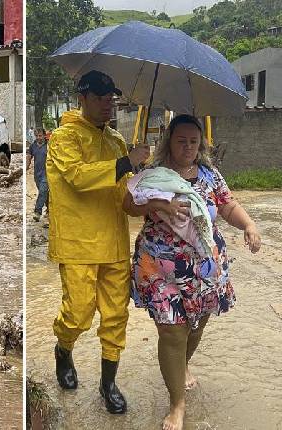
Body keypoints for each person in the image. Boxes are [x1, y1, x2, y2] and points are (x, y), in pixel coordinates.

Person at [123, 114, 261, 430]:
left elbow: (227, 206)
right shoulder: (152, 174)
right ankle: (177, 405)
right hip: (160, 265)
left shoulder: (210, 176)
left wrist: (250, 225)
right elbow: (127, 205)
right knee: (172, 330)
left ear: (201, 145)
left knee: (195, 325)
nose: (187, 147)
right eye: (181, 140)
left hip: (204, 264)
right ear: (169, 141)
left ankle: (181, 364)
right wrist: (158, 204)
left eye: (193, 142)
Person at [46, 70, 150, 414]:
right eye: (102, 98)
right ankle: (63, 347)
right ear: (83, 97)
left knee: (116, 315)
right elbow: (78, 178)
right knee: (77, 314)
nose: (109, 104)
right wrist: (125, 163)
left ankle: (109, 383)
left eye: (112, 99)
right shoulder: (63, 138)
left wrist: (151, 195)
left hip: (115, 244)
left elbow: (125, 195)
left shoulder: (118, 141)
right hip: (77, 242)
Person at [27, 127, 49, 222]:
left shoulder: (49, 145)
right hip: (37, 174)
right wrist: (26, 167)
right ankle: (50, 210)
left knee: (43, 190)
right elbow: (29, 157)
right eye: (36, 136)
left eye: (40, 136)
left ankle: (37, 212)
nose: (38, 138)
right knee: (44, 193)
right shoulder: (33, 146)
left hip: (47, 173)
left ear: (44, 135)